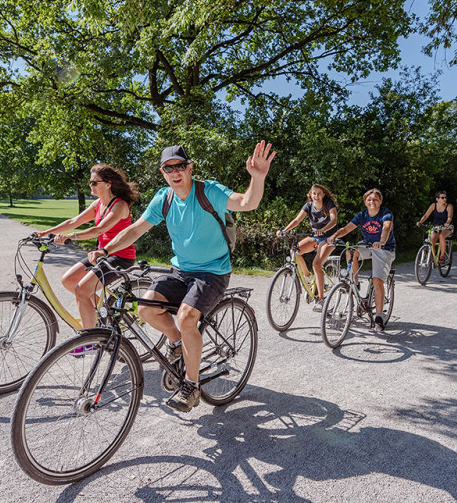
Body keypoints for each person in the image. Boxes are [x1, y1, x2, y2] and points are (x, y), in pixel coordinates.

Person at [92, 142, 275, 413]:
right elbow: (135, 230)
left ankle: (191, 385)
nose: (175, 171)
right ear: (163, 172)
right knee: (146, 308)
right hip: (181, 270)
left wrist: (257, 178)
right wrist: (105, 249)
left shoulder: (208, 191)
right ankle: (178, 343)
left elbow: (247, 203)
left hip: (213, 271)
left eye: (180, 166)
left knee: (187, 316)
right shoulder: (164, 198)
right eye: (169, 167)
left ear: (190, 168)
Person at [33, 164, 139, 330]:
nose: (91, 185)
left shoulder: (119, 206)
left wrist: (70, 236)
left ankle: (89, 338)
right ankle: (105, 310)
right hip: (100, 255)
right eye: (90, 182)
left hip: (120, 257)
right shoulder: (98, 204)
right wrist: (46, 232)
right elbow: (74, 221)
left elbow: (99, 229)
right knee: (68, 280)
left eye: (94, 182)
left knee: (82, 291)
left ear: (108, 184)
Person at [327, 188, 396, 331]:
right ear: (365, 202)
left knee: (377, 280)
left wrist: (381, 242)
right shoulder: (362, 215)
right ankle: (355, 282)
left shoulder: (385, 213)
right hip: (368, 246)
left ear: (380, 201)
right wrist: (334, 236)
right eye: (369, 200)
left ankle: (378, 317)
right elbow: (346, 229)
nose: (372, 202)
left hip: (384, 248)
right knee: (351, 251)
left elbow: (386, 227)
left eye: (375, 199)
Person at [277, 185, 340, 312]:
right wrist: (284, 231)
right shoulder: (308, 206)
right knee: (294, 251)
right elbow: (297, 220)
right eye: (313, 193)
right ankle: (309, 277)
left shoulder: (329, 204)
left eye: (318, 193)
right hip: (316, 237)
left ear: (323, 195)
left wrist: (323, 230)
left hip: (329, 238)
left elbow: (333, 220)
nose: (316, 196)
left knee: (316, 264)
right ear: (310, 195)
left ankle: (321, 300)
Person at [415, 190, 454, 263]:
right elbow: (426, 215)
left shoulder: (449, 206)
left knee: (442, 236)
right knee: (432, 240)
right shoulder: (433, 205)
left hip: (447, 227)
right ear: (437, 199)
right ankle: (433, 256)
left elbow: (450, 217)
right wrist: (420, 222)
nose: (444, 199)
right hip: (437, 226)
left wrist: (447, 222)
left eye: (445, 197)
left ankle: (442, 256)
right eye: (442, 198)